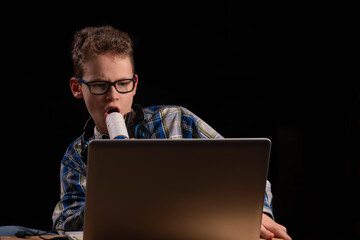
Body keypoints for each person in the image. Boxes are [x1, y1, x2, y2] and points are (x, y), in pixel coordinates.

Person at [46, 25, 290, 240]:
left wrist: (255, 213)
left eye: (123, 83)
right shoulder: (77, 156)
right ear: (78, 88)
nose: (114, 95)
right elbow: (66, 221)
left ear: (135, 84)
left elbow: (245, 173)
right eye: (100, 85)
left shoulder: (176, 120)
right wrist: (116, 192)